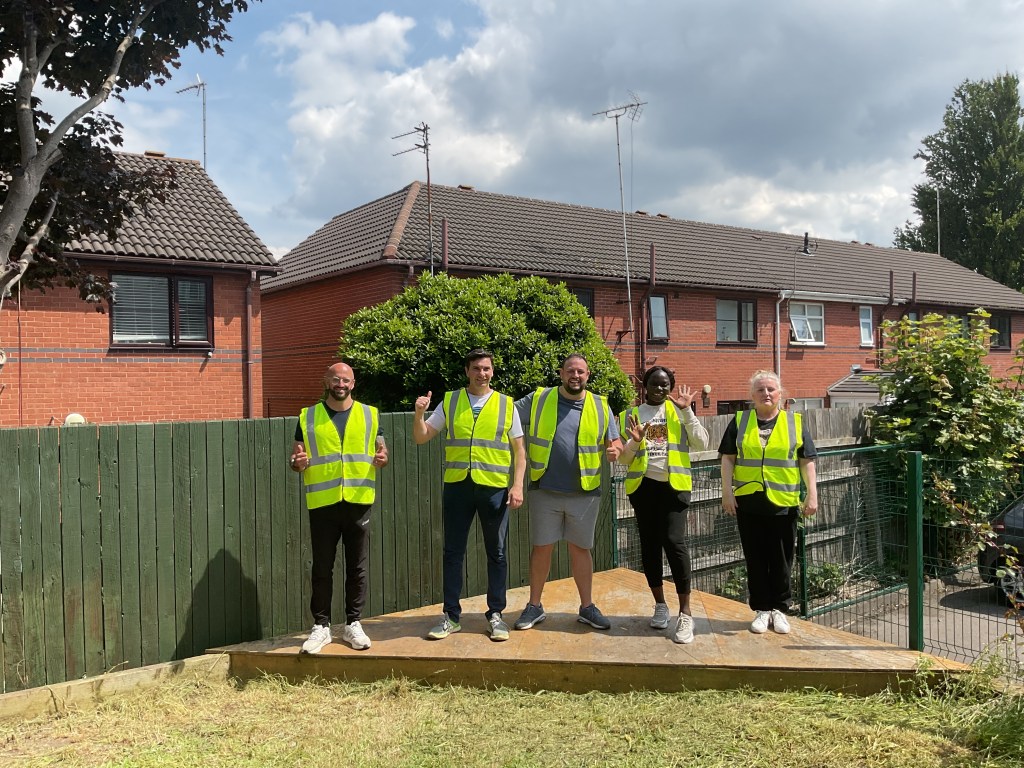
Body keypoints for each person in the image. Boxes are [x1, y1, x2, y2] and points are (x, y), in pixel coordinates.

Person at [413, 349, 526, 642]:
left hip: (494, 488)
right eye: (477, 368)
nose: (482, 374)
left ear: (492, 371)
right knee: (453, 553)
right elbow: (422, 436)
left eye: (487, 368)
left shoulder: (506, 404)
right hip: (458, 487)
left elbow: (520, 451)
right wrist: (418, 414)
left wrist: (517, 486)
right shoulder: (450, 401)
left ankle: (496, 615)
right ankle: (451, 616)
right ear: (467, 371)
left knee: (497, 553)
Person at [513, 353, 623, 631]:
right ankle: (534, 606)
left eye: (581, 372)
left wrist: (616, 450)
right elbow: (506, 415)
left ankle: (587, 607)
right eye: (571, 371)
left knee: (581, 550)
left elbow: (616, 441)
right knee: (541, 549)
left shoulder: (601, 405)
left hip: (585, 493)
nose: (576, 376)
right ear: (561, 373)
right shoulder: (539, 399)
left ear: (587, 375)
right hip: (544, 490)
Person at [290, 362, 388, 653]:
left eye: (346, 379)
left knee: (357, 568)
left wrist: (383, 458)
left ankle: (353, 624)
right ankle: (321, 627)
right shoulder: (308, 417)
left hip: (358, 501)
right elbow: (297, 458)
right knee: (322, 567)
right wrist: (297, 464)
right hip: (323, 502)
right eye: (335, 379)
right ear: (326, 381)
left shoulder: (370, 415)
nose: (341, 384)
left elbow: (381, 452)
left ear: (353, 383)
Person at [719, 370, 818, 635]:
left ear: (780, 394)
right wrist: (727, 492)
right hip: (749, 502)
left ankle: (780, 609)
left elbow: (806, 461)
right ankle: (762, 610)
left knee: (783, 558)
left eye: (771, 389)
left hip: (783, 502)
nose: (766, 394)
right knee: (755, 557)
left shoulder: (794, 422)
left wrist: (812, 494)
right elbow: (728, 458)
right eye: (761, 390)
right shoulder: (740, 421)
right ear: (752, 395)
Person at [617, 366, 709, 644]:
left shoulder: (679, 413)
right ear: (644, 386)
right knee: (648, 545)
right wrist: (634, 443)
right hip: (643, 489)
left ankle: (685, 613)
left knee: (674, 542)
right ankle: (660, 605)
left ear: (671, 387)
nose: (660, 389)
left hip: (674, 488)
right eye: (655, 384)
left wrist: (687, 411)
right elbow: (623, 459)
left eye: (665, 385)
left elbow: (702, 442)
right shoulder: (629, 416)